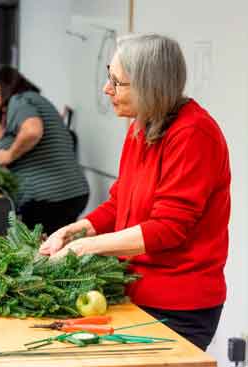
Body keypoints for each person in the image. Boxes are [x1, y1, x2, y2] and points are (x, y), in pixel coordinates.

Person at [39, 34, 230, 351]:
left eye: (117, 82)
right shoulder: (141, 127)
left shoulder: (193, 134)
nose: (106, 89)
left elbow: (167, 229)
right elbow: (119, 204)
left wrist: (85, 248)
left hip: (179, 306)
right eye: (108, 77)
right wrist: (72, 232)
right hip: (135, 292)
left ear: (149, 85)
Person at [0, 65, 89, 234]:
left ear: (9, 87)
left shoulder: (19, 101)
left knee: (41, 253)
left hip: (50, 199)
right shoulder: (30, 101)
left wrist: (8, 155)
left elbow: (32, 131)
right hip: (68, 193)